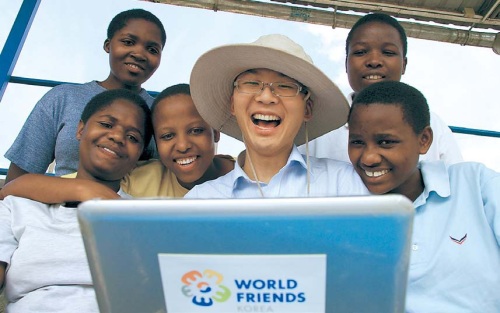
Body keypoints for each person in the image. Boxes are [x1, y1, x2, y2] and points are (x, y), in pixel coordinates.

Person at [347, 80, 500, 313]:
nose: (368, 158)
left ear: (424, 140)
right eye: (357, 142)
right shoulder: (342, 209)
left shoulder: (476, 185)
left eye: (385, 142)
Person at [0, 88, 153, 312]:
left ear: (140, 153)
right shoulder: (18, 206)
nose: (117, 137)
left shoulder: (147, 219)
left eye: (132, 137)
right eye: (107, 124)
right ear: (81, 129)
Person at [185, 34, 368, 198]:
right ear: (233, 103)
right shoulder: (201, 201)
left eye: (286, 86)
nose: (266, 97)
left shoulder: (343, 185)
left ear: (307, 109)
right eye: (250, 83)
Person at [3, 8, 166, 183]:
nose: (139, 54)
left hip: (132, 209)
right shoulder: (63, 98)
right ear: (108, 45)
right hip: (60, 206)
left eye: (152, 49)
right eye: (127, 42)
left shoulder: (162, 113)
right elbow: (17, 182)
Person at [0, 84, 235, 201]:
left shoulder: (245, 174)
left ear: (215, 132)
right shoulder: (141, 177)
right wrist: (88, 190)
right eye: (167, 136)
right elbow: (15, 188)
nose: (183, 145)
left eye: (195, 130)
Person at [299, 12, 463, 166]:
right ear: (346, 64)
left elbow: (457, 186)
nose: (374, 61)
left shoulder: (432, 125)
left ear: (404, 65)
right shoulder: (318, 129)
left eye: (388, 52)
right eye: (361, 51)